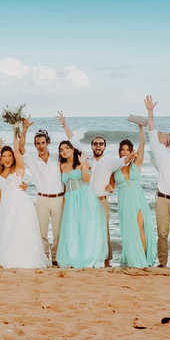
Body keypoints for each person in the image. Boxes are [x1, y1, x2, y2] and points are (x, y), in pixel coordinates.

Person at [59, 112, 120, 266]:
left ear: (105, 146)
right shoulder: (80, 160)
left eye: (101, 144)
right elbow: (73, 140)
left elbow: (115, 173)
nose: (98, 146)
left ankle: (105, 261)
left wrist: (111, 186)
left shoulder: (105, 160)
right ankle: (79, 256)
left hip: (95, 198)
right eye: (95, 144)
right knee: (80, 229)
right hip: (79, 199)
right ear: (92, 146)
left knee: (97, 228)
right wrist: (65, 125)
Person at [0, 143, 48, 269]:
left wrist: (15, 129)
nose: (7, 158)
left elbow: (17, 150)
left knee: (21, 231)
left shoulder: (18, 170)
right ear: (1, 158)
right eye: (4, 156)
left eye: (9, 155)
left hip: (20, 204)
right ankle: (7, 258)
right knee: (7, 232)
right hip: (6, 206)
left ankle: (23, 259)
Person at [144, 95, 170, 267]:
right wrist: (150, 112)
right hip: (162, 198)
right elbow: (152, 131)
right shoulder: (160, 151)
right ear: (169, 137)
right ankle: (162, 263)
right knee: (162, 233)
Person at [109, 123, 157, 268]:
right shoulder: (115, 167)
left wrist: (141, 129)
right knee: (129, 230)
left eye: (127, 149)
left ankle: (142, 260)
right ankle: (132, 257)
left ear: (131, 151)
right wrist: (105, 188)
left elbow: (142, 144)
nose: (124, 152)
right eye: (122, 149)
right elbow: (110, 186)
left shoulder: (137, 163)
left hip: (138, 199)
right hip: (124, 201)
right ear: (119, 151)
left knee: (141, 227)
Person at [19, 116, 65, 265]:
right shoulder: (32, 159)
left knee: (58, 232)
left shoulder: (58, 157)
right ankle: (45, 258)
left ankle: (57, 258)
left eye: (43, 142)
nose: (40, 146)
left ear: (48, 142)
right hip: (42, 199)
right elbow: (20, 150)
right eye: (37, 143)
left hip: (59, 198)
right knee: (42, 232)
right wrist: (24, 130)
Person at [55, 141, 108, 269]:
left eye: (66, 148)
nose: (64, 151)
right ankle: (72, 257)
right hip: (70, 199)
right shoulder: (61, 165)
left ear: (73, 149)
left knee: (84, 228)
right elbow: (63, 186)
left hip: (83, 197)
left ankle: (86, 257)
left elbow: (86, 180)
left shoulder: (81, 162)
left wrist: (84, 164)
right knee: (71, 228)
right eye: (61, 150)